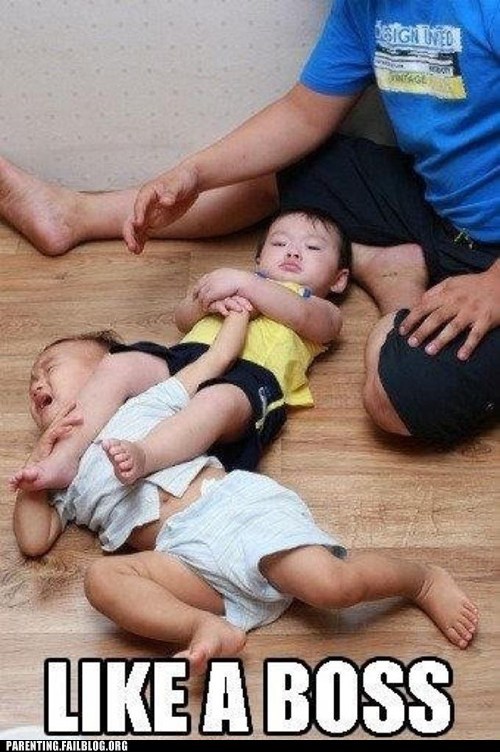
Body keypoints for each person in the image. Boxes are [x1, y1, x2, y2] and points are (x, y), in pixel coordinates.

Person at [2, 1, 498, 447]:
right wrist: (196, 173)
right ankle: (74, 215)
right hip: (440, 210)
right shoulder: (364, 7)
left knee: (397, 398)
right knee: (290, 166)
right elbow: (304, 114)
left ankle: (398, 278)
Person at [13, 316, 479, 675]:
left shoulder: (146, 404)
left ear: (103, 368)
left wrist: (237, 315)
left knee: (331, 587)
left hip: (230, 512)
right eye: (33, 380)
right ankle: (202, 627)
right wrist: (39, 461)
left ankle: (421, 580)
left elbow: (215, 360)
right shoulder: (64, 481)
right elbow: (34, 540)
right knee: (102, 580)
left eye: (49, 368)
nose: (37, 384)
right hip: (181, 559)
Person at [10, 208, 349, 494]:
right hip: (188, 357)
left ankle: (146, 454)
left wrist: (248, 284)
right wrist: (204, 302)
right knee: (119, 363)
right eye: (279, 243)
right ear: (259, 258)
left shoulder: (320, 308)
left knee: (215, 403)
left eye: (312, 247)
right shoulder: (230, 281)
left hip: (248, 381)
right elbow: (181, 319)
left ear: (338, 279)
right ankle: (66, 457)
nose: (292, 252)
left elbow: (303, 317)